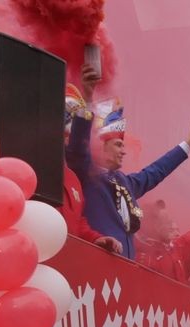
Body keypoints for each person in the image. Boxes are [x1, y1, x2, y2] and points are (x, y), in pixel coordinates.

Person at [65, 63, 190, 260]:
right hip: (95, 266)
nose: (124, 151)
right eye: (118, 145)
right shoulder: (87, 173)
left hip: (124, 273)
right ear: (100, 146)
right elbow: (79, 145)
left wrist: (188, 143)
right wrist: (88, 98)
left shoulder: (127, 182)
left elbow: (157, 171)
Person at [61, 79, 123, 254]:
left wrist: (96, 238)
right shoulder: (34, 168)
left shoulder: (74, 179)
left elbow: (78, 223)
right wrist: (88, 99)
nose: (69, 140)